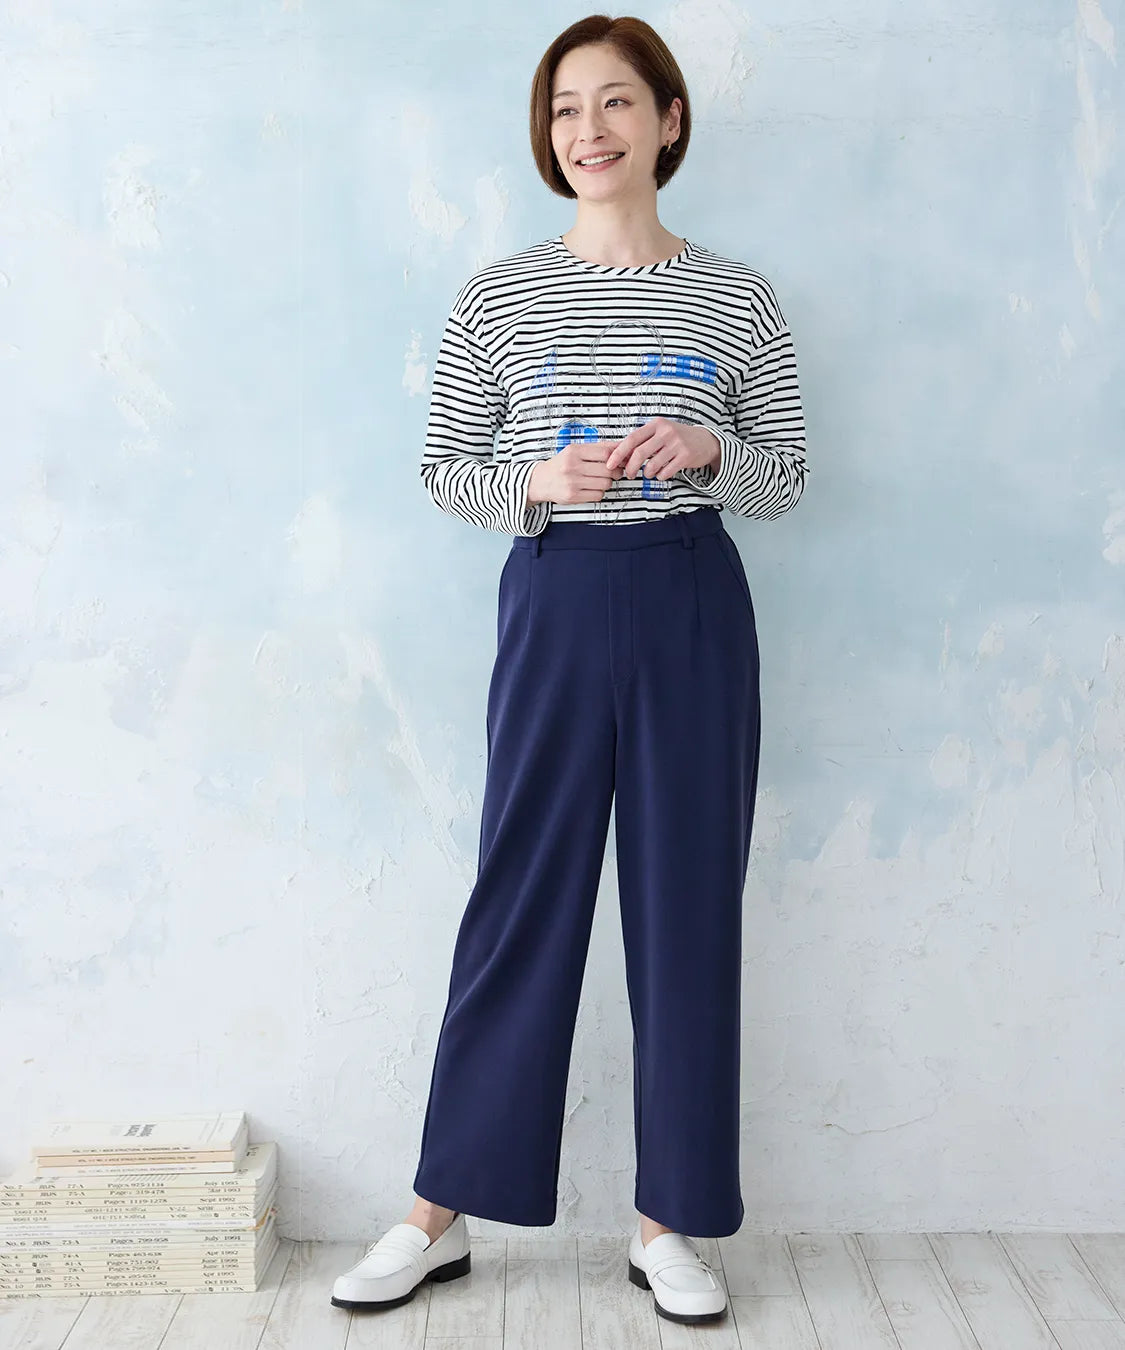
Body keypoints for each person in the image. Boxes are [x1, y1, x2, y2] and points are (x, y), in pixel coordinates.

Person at [331, 12, 808, 1326]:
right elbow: (445, 468)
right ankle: (439, 1210)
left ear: (668, 121)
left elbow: (786, 476)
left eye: (614, 103)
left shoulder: (737, 297)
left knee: (686, 907)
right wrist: (537, 480)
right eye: (562, 110)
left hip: (689, 598)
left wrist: (710, 453)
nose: (587, 131)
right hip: (551, 594)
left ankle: (670, 1223)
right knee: (520, 894)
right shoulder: (498, 296)